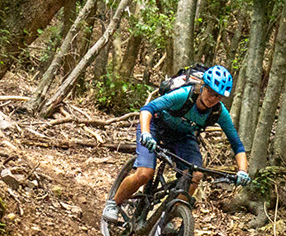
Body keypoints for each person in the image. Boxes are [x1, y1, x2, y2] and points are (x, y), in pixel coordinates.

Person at [103, 65, 250, 224]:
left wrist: (242, 171)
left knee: (195, 175)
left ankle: (166, 220)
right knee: (144, 173)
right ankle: (114, 203)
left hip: (182, 136)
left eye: (219, 96)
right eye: (211, 92)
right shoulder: (183, 95)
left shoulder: (219, 113)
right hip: (155, 126)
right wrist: (145, 133)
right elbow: (147, 109)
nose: (213, 98)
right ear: (203, 87)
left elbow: (237, 145)